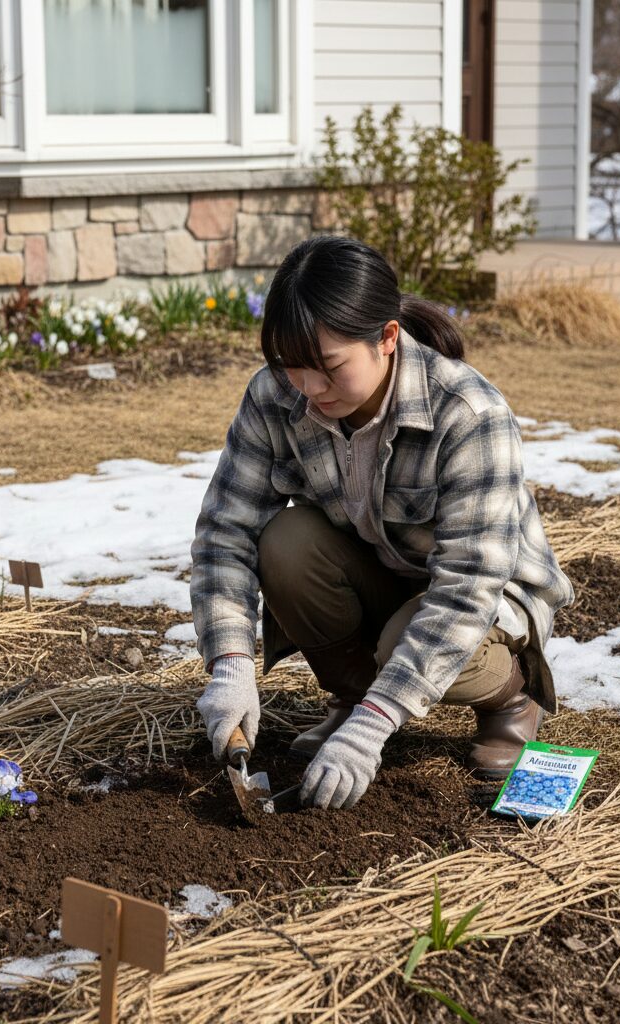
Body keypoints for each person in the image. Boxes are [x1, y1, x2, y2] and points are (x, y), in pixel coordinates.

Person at [189, 235, 575, 811]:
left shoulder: (469, 414)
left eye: (329, 368)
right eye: (293, 368)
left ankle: (510, 698)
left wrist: (374, 728)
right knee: (286, 543)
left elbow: (467, 589)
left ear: (387, 338)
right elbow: (226, 530)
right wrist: (231, 664)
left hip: (485, 595)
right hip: (379, 565)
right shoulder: (275, 396)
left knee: (413, 638)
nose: (310, 391)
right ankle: (351, 696)